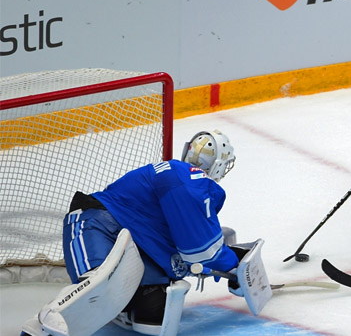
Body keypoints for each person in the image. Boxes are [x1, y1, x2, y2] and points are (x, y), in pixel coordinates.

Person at [21, 130, 267, 336]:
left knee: (154, 315)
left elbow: (192, 247)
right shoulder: (189, 181)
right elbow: (200, 250)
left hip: (132, 246)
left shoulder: (183, 182)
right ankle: (39, 327)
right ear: (219, 165)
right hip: (94, 225)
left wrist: (225, 262)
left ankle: (117, 308)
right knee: (96, 286)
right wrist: (233, 264)